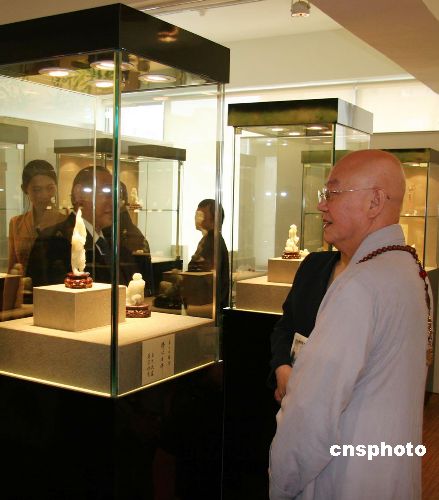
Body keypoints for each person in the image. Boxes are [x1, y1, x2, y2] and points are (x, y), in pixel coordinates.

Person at [269, 150, 431, 500]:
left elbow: (309, 416)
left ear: (375, 201)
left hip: (344, 475)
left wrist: (280, 485)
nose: (321, 205)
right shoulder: (411, 272)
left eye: (333, 193)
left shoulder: (359, 285)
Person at [27, 166, 148, 287]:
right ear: (79, 194)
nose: (114, 202)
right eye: (106, 192)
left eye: (116, 195)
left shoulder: (115, 240)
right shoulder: (55, 242)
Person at [8, 159, 66, 275]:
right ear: (25, 189)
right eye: (37, 189)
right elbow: (12, 267)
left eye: (50, 188)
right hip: (24, 285)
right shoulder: (16, 223)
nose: (44, 194)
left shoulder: (66, 221)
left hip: (57, 285)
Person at [187, 198, 229, 308]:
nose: (196, 219)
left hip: (208, 303)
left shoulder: (213, 242)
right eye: (196, 215)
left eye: (200, 215)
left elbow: (204, 275)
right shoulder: (209, 239)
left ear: (214, 219)